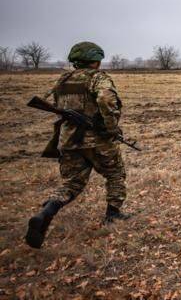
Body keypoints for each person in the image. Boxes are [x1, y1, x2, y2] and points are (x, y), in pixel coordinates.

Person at [25, 42, 129, 249]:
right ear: (96, 59)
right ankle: (113, 214)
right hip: (96, 140)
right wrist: (111, 127)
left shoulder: (64, 79)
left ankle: (46, 212)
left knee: (71, 184)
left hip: (69, 140)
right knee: (115, 174)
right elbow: (106, 99)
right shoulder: (97, 78)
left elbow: (57, 104)